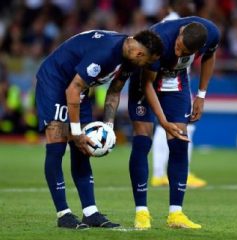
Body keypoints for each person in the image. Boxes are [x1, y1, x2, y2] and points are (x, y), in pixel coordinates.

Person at [35, 29, 164, 229]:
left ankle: (90, 212)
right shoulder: (105, 53)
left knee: (83, 149)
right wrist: (76, 132)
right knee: (57, 145)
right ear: (140, 54)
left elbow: (114, 92)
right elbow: (72, 89)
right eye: (148, 61)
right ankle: (64, 213)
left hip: (79, 89)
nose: (148, 66)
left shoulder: (129, 58)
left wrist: (108, 126)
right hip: (56, 82)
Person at [128, 17, 220, 229]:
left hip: (175, 81)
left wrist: (201, 95)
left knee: (180, 142)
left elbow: (210, 56)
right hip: (146, 79)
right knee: (143, 141)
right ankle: (141, 212)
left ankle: (175, 214)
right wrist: (163, 121)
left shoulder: (212, 34)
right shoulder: (160, 38)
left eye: (185, 52)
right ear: (179, 33)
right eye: (178, 47)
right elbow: (148, 83)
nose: (178, 53)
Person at [151, 0, 207, 188]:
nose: (191, 5)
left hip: (178, 80)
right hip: (171, 82)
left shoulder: (181, 22)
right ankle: (171, 172)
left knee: (170, 127)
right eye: (187, 2)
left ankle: (161, 172)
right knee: (180, 128)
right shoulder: (175, 24)